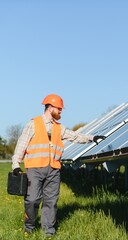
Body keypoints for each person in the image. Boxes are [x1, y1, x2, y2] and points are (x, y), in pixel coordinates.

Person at [12, 94, 105, 238]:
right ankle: (29, 227)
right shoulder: (33, 124)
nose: (61, 111)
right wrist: (15, 164)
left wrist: (92, 138)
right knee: (32, 199)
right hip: (35, 168)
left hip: (54, 169)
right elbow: (21, 144)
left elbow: (75, 136)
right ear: (50, 107)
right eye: (59, 108)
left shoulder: (59, 127)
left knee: (51, 201)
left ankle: (48, 231)